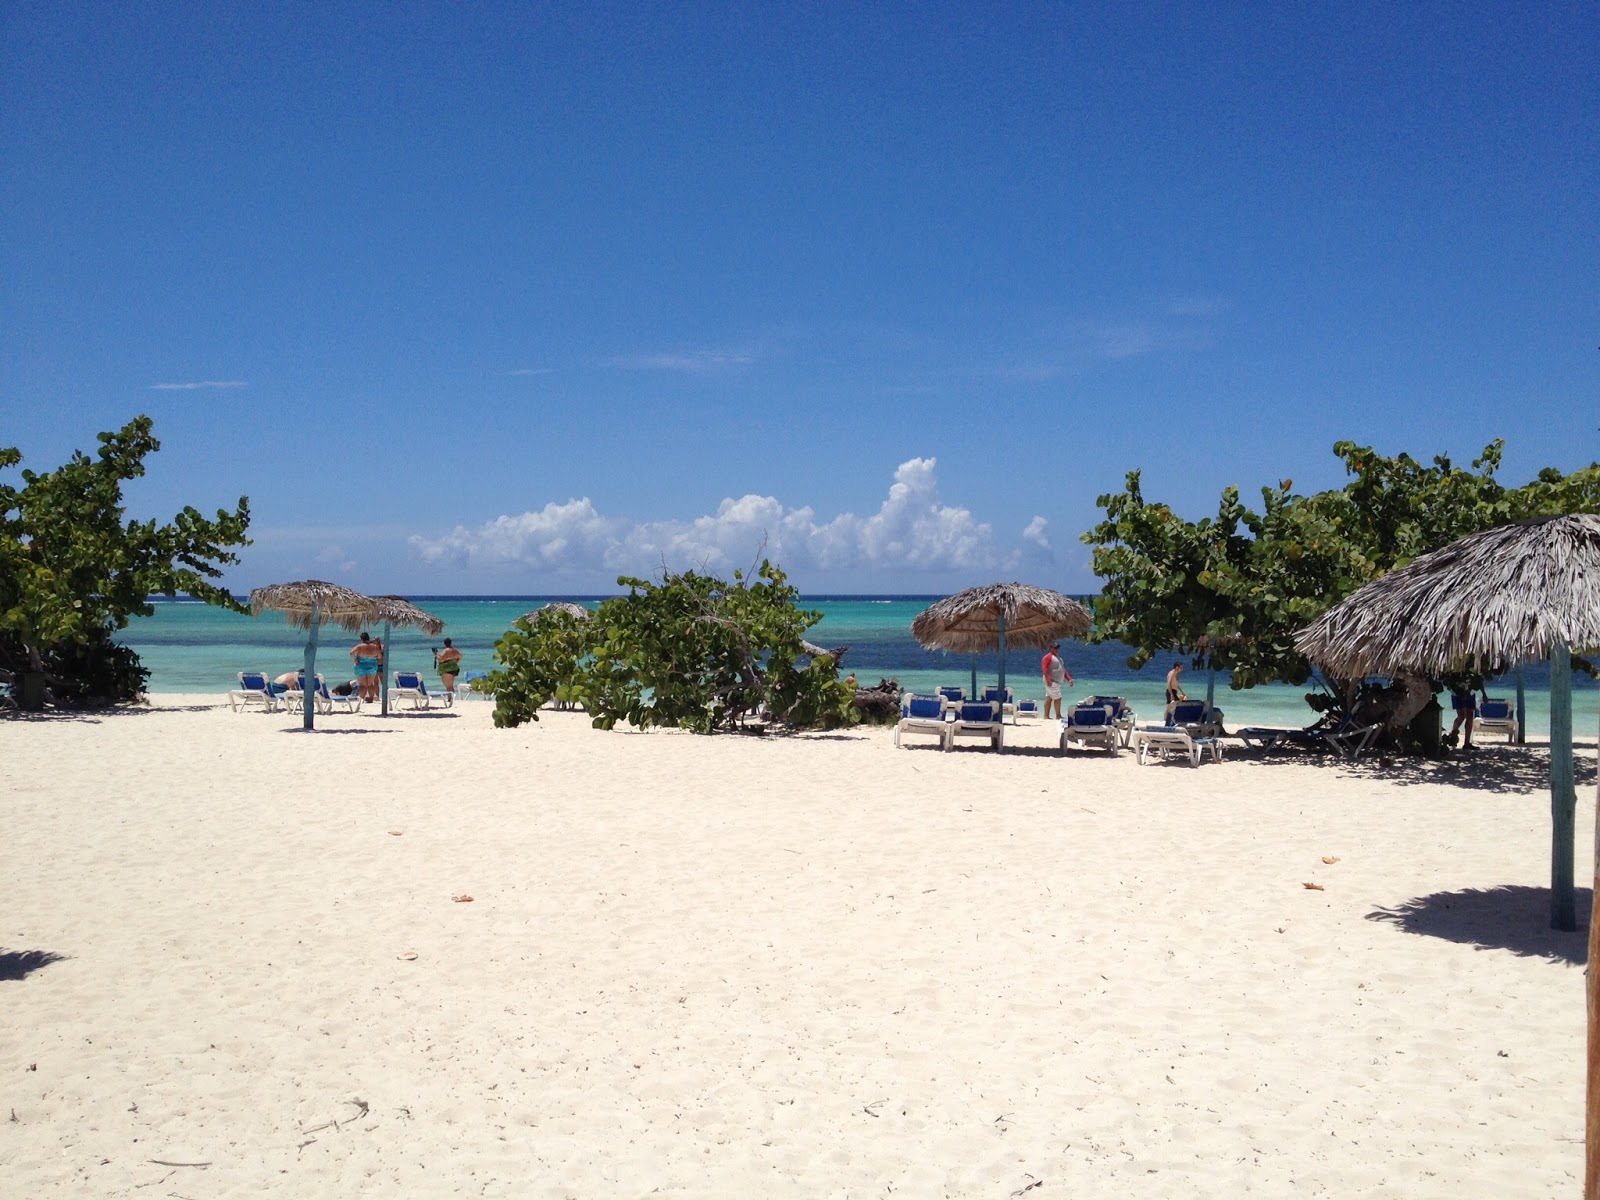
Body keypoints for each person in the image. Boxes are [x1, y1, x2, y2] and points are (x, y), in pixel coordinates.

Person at [1040, 641, 1073, 719]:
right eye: (1055, 648)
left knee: (1049, 697)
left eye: (1057, 648)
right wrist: (1048, 680)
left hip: (1056, 681)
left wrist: (1069, 679)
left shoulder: (1059, 659)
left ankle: (1046, 716)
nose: (1057, 649)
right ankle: (1058, 715)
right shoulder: (1048, 657)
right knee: (1058, 697)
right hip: (1051, 681)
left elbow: (1063, 670)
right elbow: (1045, 669)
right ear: (1051, 648)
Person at [350, 631, 382, 703]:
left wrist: (354, 660)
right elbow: (379, 657)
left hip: (361, 666)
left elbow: (351, 653)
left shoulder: (359, 647)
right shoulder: (375, 647)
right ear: (368, 638)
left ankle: (361, 699)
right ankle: (370, 698)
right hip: (372, 666)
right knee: (370, 684)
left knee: (362, 685)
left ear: (362, 639)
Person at [1447, 684, 1477, 749]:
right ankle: (1466, 743)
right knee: (1469, 717)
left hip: (1456, 691)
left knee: (1461, 716)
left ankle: (1452, 735)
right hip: (1467, 692)